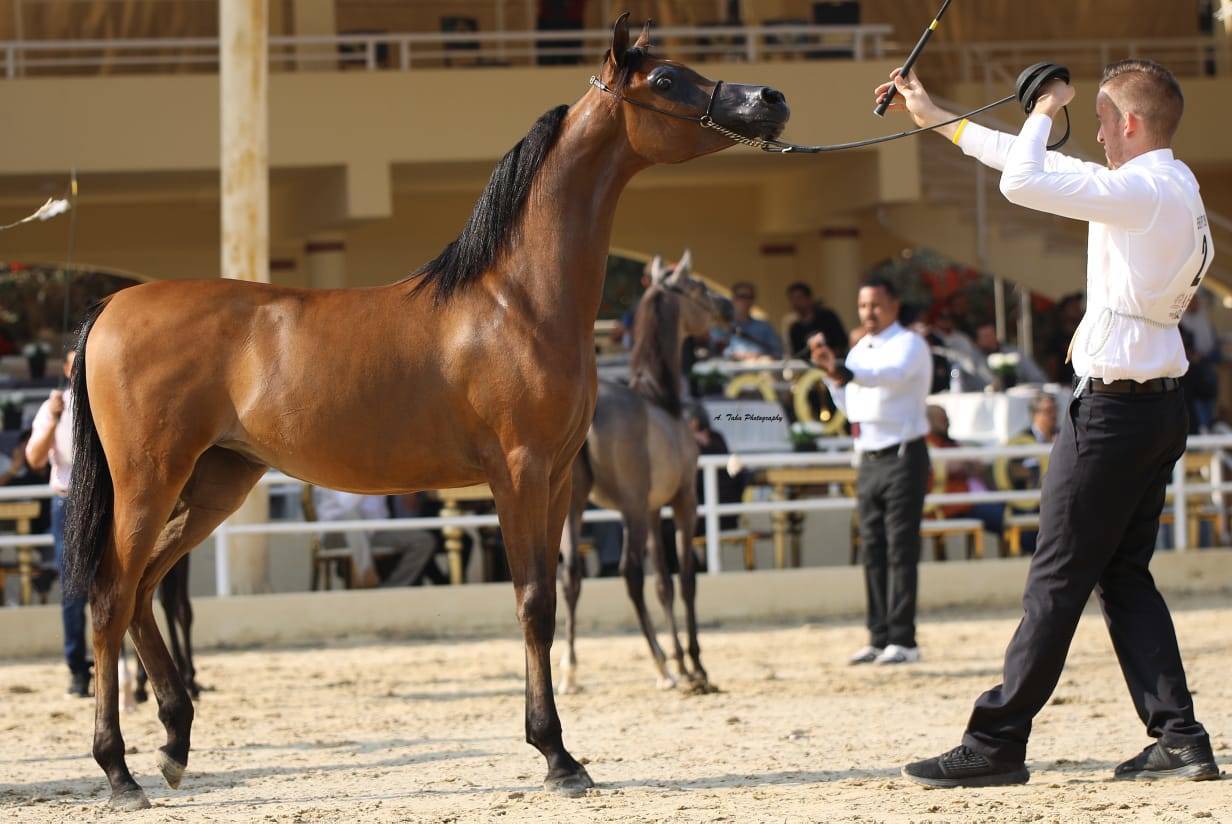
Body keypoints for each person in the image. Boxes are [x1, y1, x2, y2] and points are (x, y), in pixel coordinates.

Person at [879, 58, 1219, 785]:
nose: (1094, 134)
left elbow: (1026, 180)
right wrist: (937, 118)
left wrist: (1046, 106)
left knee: (1057, 579)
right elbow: (1031, 165)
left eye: (1101, 120)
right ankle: (1180, 736)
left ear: (1130, 124)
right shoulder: (1170, 185)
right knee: (1122, 575)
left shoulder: (1139, 191)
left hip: (1115, 413)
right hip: (1155, 407)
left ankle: (996, 742)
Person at [809, 276, 932, 665]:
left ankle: (904, 640)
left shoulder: (910, 343)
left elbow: (889, 376)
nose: (869, 313)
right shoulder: (860, 348)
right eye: (863, 306)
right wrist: (833, 376)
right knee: (873, 548)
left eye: (876, 305)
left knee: (900, 548)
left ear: (894, 305)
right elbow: (852, 405)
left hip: (903, 454)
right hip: (869, 457)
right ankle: (878, 637)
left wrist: (844, 371)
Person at [25, 352, 91, 697]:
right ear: (66, 370)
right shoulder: (53, 407)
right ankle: (78, 668)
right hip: (67, 502)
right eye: (74, 363)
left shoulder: (104, 398)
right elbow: (35, 458)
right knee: (73, 590)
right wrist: (52, 417)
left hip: (101, 501)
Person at [973, 323, 1049, 387]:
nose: (989, 339)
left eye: (990, 334)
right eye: (985, 336)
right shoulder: (974, 360)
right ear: (977, 341)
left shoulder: (1015, 353)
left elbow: (1037, 377)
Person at [786, 282, 848, 359]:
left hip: (836, 361)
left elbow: (842, 342)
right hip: (808, 365)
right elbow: (797, 354)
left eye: (799, 298)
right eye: (792, 299)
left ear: (809, 298)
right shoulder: (795, 329)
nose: (796, 302)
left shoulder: (828, 317)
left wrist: (828, 356)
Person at [722, 282, 783, 360]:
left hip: (759, 366)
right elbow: (715, 352)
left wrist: (759, 356)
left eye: (749, 297)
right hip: (730, 366)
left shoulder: (765, 327)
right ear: (733, 299)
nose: (745, 301)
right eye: (742, 296)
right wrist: (735, 355)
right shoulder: (722, 326)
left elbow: (777, 352)